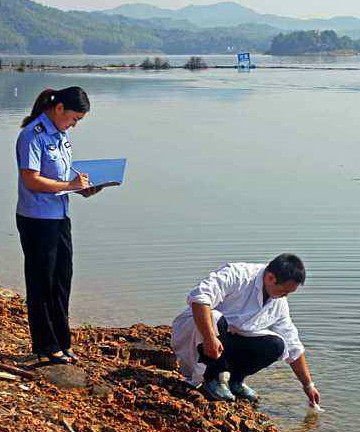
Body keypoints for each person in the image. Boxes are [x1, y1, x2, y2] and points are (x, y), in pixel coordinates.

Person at [16, 86, 100, 364]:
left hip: (59, 217)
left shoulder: (61, 135)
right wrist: (68, 185)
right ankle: (45, 346)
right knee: (42, 283)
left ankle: (62, 342)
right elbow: (31, 180)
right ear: (59, 108)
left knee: (62, 281)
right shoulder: (32, 135)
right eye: (74, 118)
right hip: (37, 219)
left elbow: (62, 179)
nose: (74, 125)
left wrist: (82, 187)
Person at [171, 253, 321, 407]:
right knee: (215, 318)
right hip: (197, 334)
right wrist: (209, 338)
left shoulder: (278, 302)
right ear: (270, 278)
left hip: (228, 341)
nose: (285, 296)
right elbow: (199, 299)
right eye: (284, 291)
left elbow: (293, 344)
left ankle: (235, 380)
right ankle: (212, 378)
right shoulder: (238, 275)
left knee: (277, 344)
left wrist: (308, 386)